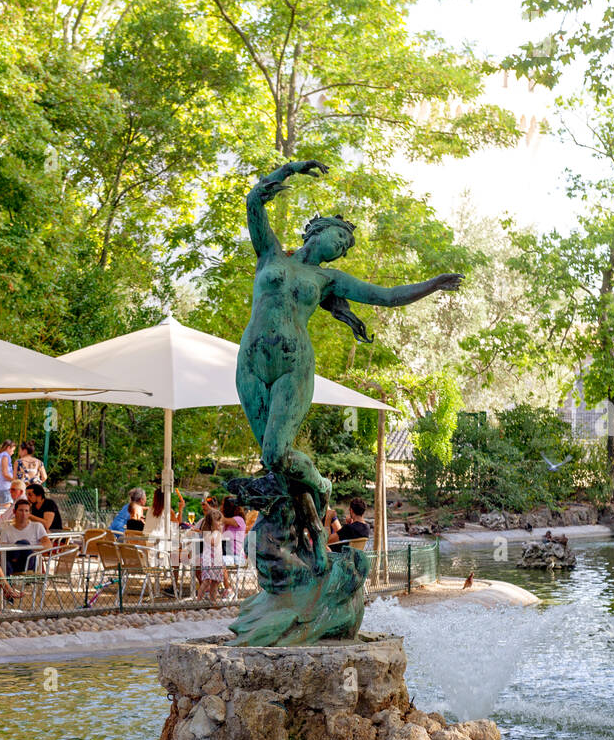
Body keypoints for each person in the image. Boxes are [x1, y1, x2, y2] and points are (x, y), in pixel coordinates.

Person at [237, 159, 461, 571]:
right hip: (249, 362)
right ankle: (307, 547)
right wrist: (288, 171)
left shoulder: (328, 280)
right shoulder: (269, 252)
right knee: (277, 470)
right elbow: (253, 202)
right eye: (338, 240)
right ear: (317, 232)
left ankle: (321, 484)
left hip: (292, 365)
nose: (340, 249)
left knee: (277, 454)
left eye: (343, 248)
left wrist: (433, 284)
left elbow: (388, 295)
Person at [0, 498, 52, 575]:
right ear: (14, 512)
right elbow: (2, 550)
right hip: (12, 563)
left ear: (29, 513)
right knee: (5, 563)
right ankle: (8, 586)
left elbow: (48, 545)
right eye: (21, 510)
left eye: (26, 511)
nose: (23, 514)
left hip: (29, 562)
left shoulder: (37, 526)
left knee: (23, 543)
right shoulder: (6, 530)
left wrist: (30, 548)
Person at [197, 507, 226, 604]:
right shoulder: (208, 533)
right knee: (206, 581)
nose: (220, 524)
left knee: (215, 582)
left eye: (221, 522)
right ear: (211, 523)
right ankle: (198, 600)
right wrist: (216, 531)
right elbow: (214, 543)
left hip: (217, 560)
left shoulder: (217, 533)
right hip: (208, 561)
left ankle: (213, 601)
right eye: (218, 522)